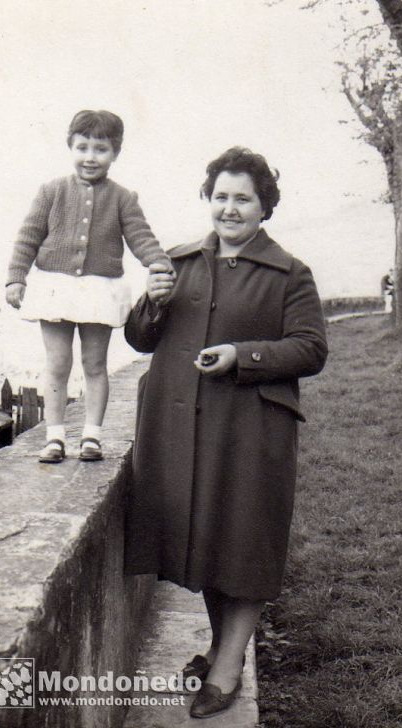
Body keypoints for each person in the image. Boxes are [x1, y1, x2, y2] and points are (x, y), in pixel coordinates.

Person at [124, 147, 328, 718]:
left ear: (265, 208)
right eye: (221, 197)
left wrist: (244, 354)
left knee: (245, 541)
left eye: (243, 199)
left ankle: (230, 666)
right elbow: (140, 339)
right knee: (209, 540)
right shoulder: (179, 261)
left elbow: (312, 349)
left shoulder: (290, 273)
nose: (230, 209)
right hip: (180, 430)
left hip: (250, 432)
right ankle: (221, 648)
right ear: (207, 200)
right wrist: (151, 302)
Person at [5, 109, 173, 463]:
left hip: (99, 289)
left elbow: (141, 237)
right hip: (54, 287)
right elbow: (28, 237)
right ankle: (54, 437)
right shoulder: (51, 191)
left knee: (95, 363)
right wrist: (16, 278)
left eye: (100, 149)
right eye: (82, 147)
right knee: (57, 363)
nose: (90, 157)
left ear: (115, 153)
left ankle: (92, 436)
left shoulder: (123, 198)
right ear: (70, 147)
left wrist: (158, 263)